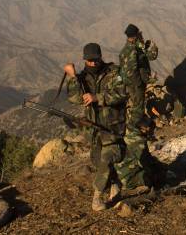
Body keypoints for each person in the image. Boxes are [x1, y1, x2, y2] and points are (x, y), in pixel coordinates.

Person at [64, 42, 127, 211]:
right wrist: (72, 77)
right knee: (98, 162)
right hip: (94, 129)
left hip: (113, 127)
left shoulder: (114, 72)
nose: (92, 63)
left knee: (107, 159)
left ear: (100, 57)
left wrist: (97, 97)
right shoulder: (83, 77)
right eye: (89, 61)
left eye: (95, 60)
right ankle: (115, 183)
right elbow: (75, 98)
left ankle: (97, 199)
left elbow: (122, 93)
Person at [115, 23, 159, 190]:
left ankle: (135, 134)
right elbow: (152, 56)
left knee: (134, 111)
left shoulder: (124, 51)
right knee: (138, 113)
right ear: (135, 36)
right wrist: (151, 45)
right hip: (136, 86)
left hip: (129, 87)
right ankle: (137, 139)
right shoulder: (136, 48)